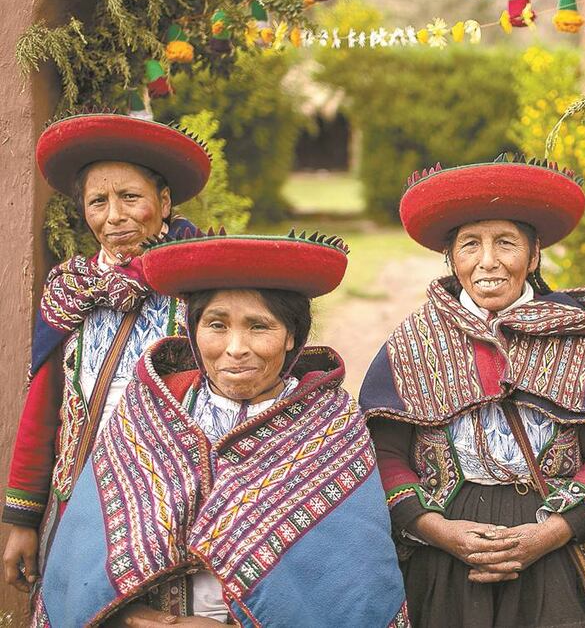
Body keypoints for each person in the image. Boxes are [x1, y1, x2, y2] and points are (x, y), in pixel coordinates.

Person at [359, 155, 585, 628]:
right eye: (470, 244)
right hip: (444, 557)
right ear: (451, 258)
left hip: (562, 548)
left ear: (532, 256)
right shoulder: (413, 345)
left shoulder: (579, 340)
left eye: (505, 243)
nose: (488, 261)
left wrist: (548, 534)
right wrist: (438, 530)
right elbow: (383, 451)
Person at [32, 231, 409, 626]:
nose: (235, 347)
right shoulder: (149, 412)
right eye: (216, 325)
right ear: (193, 330)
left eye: (258, 327)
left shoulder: (330, 424)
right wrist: (135, 617)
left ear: (292, 336)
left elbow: (351, 580)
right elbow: (87, 559)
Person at [3, 113, 211, 592]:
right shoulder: (69, 292)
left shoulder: (202, 283)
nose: (114, 215)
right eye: (98, 201)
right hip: (79, 498)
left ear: (163, 202)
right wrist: (23, 519)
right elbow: (44, 407)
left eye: (130, 197)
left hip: (179, 504)